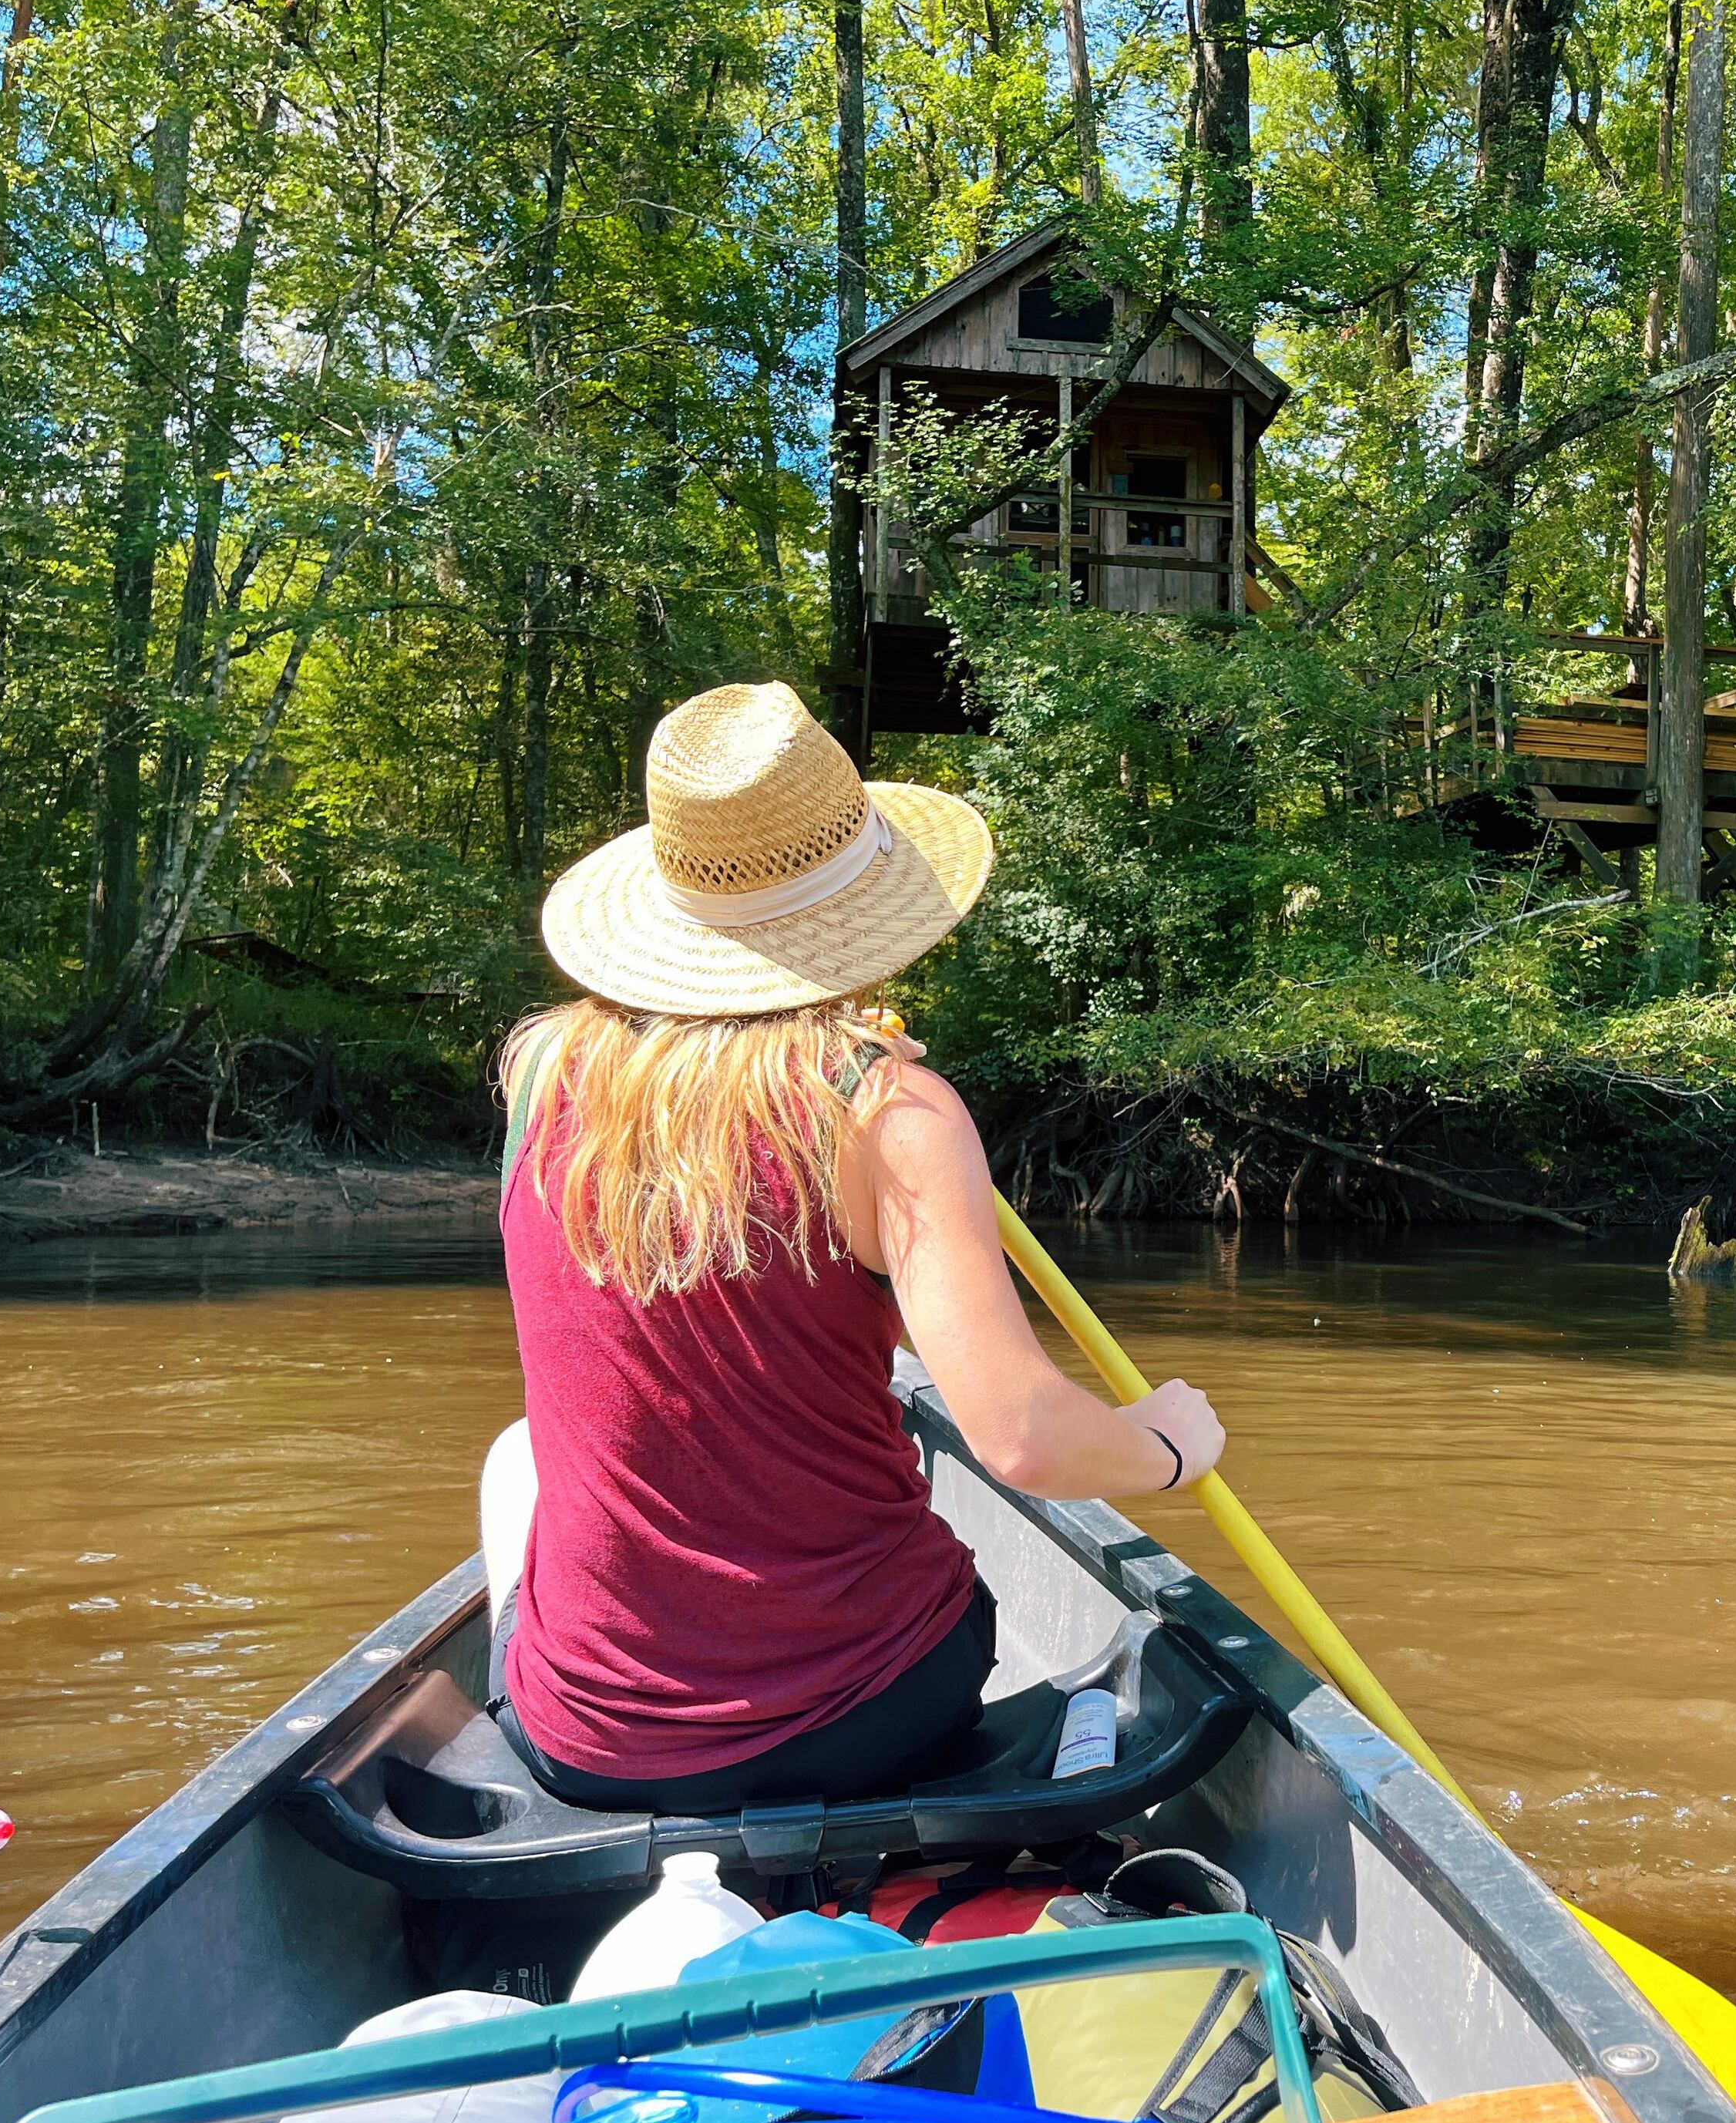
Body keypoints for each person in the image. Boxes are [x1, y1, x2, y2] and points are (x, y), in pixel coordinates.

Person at [487, 680, 1225, 1816]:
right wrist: (1162, 1448)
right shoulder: (892, 1113)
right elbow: (1022, 1442)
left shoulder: (543, 1072)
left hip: (586, 1747)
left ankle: (538, 1711)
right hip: (864, 1715)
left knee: (515, 1455)